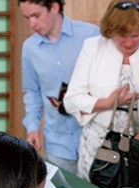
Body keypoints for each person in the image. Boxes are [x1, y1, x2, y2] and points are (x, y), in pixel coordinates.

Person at [63, 0, 139, 188]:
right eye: (121, 35)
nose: (128, 42)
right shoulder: (93, 47)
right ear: (110, 31)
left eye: (135, 35)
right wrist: (107, 102)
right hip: (99, 143)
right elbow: (71, 100)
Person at [19, 0, 100, 174]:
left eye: (36, 16)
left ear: (54, 7)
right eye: (27, 18)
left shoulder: (92, 35)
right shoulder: (29, 48)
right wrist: (32, 127)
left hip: (96, 139)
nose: (32, 24)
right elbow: (32, 92)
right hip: (57, 143)